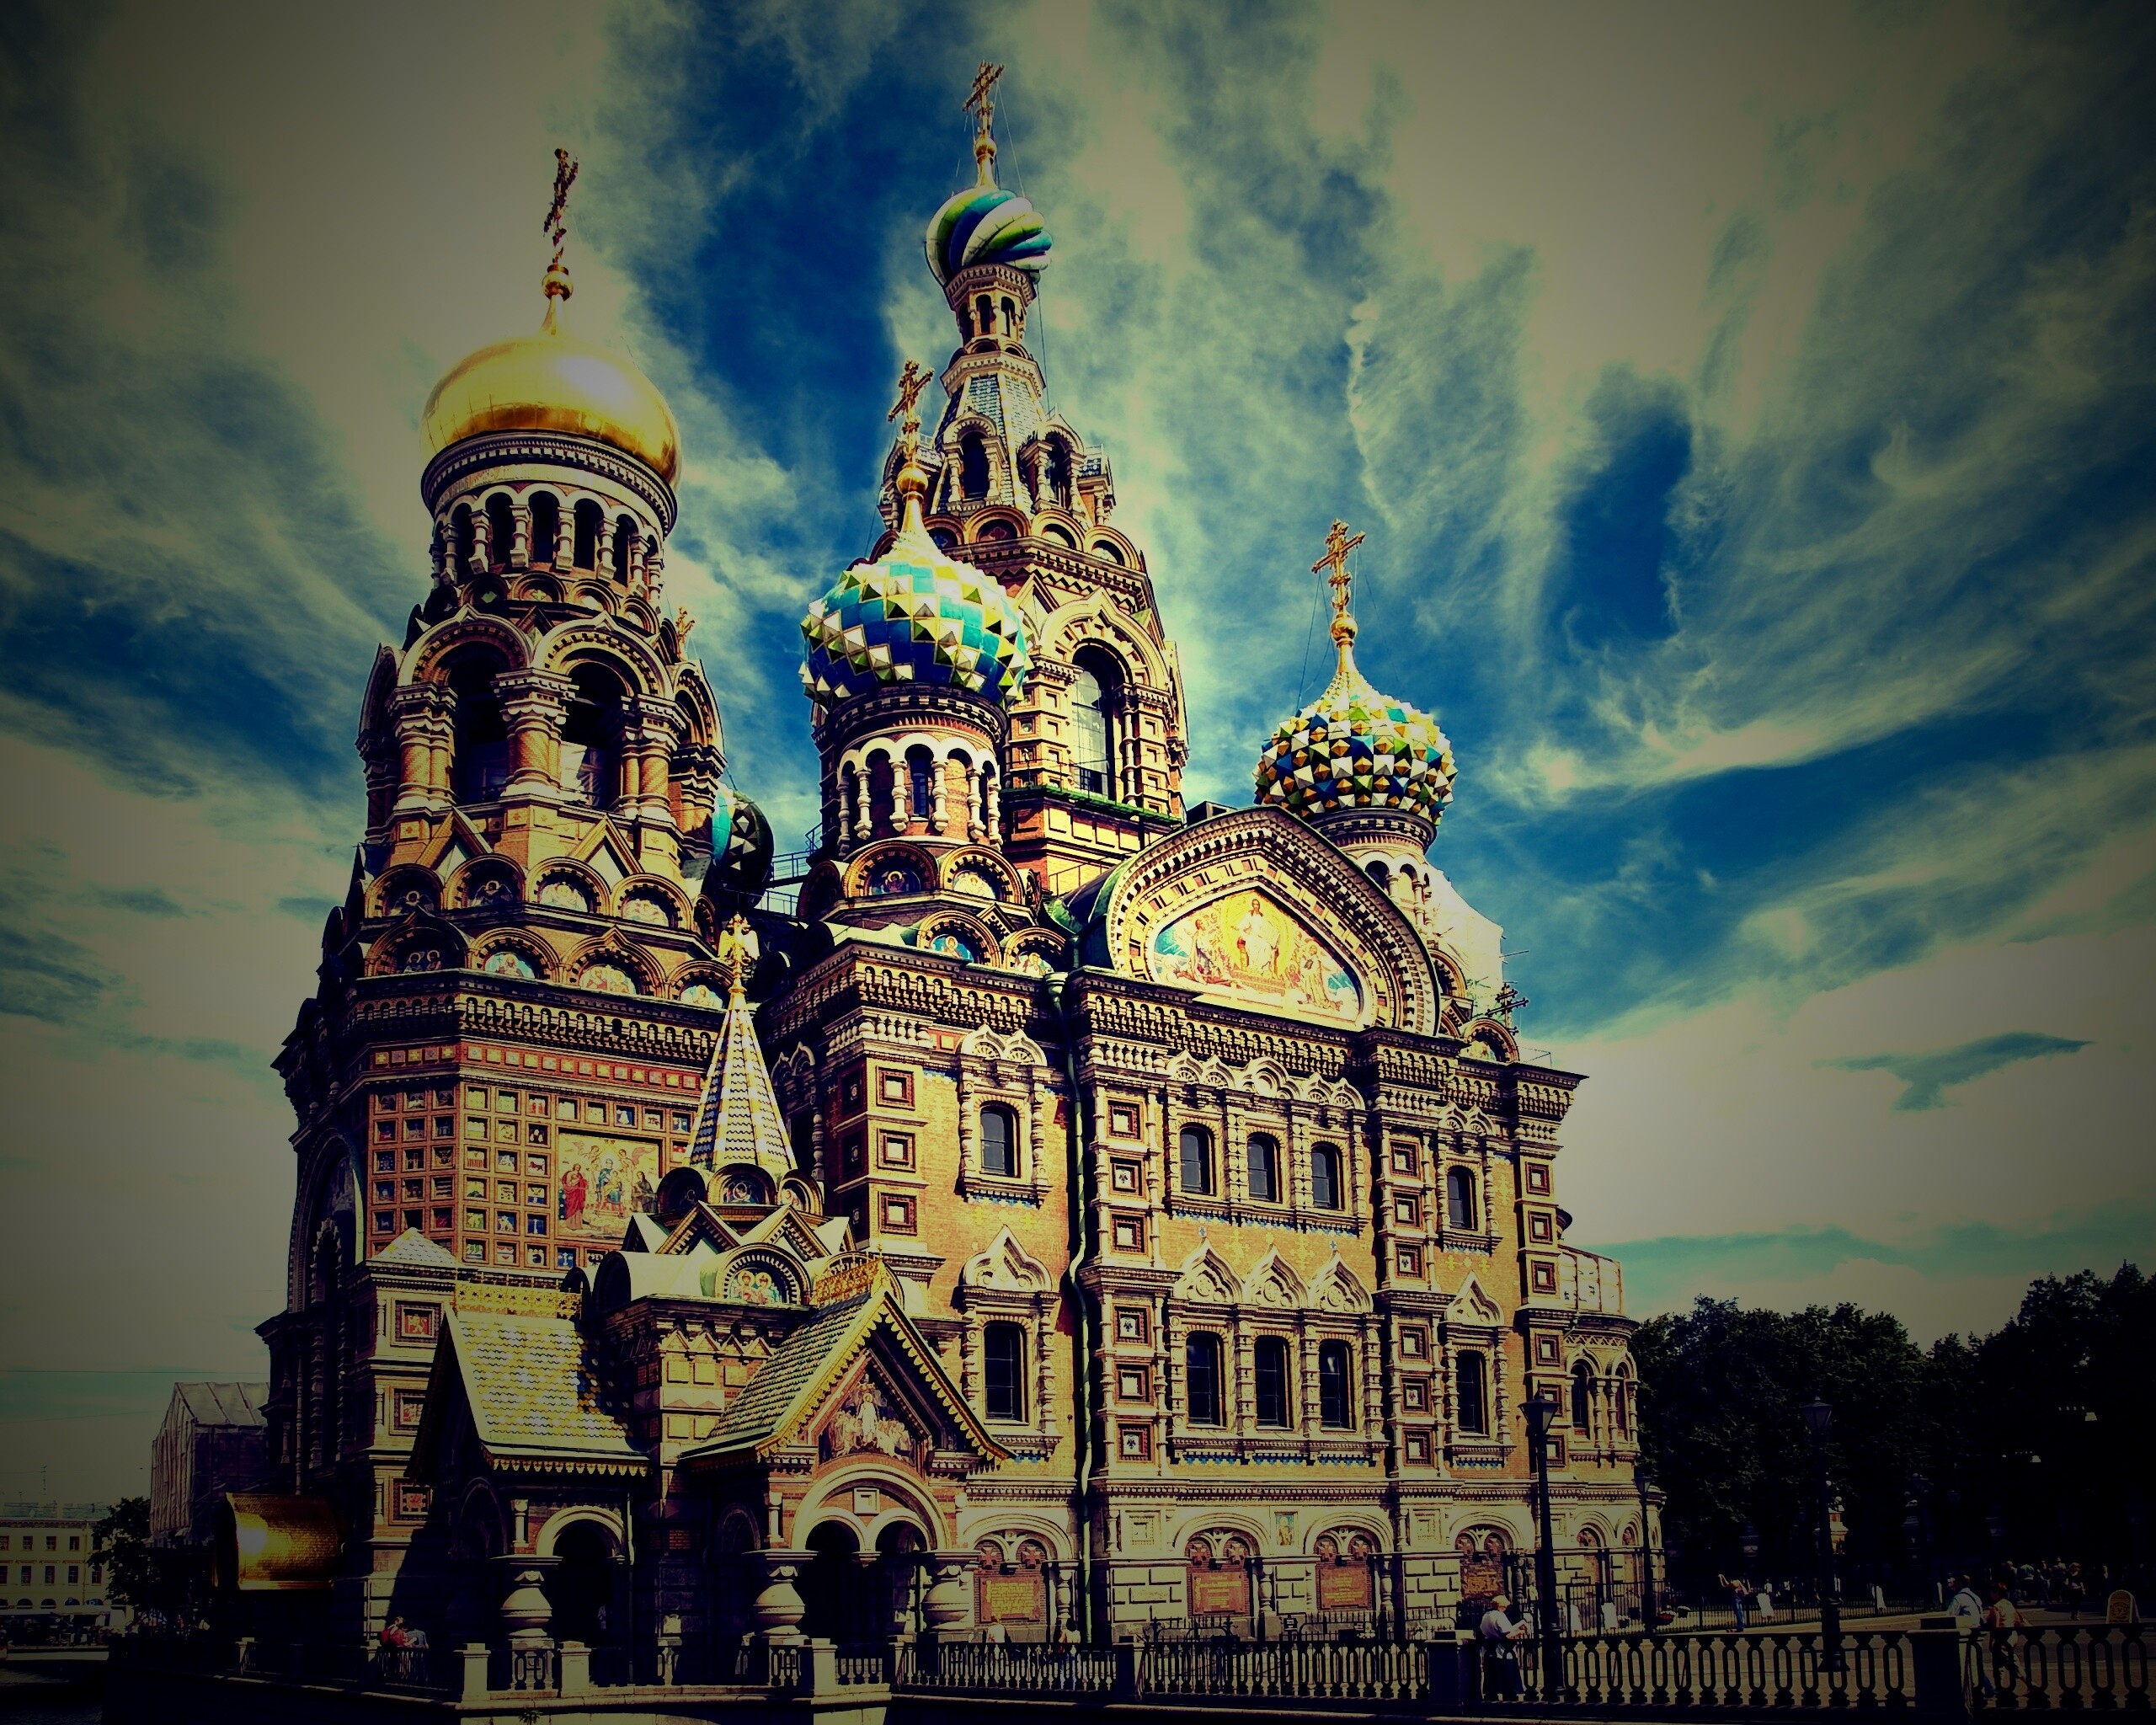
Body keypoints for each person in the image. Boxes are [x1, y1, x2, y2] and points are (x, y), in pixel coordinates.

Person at [1479, 1594, 1529, 1697]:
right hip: (1503, 1651)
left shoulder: (1486, 1615)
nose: (1506, 1609)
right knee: (1508, 1680)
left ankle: (1492, 1695)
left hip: (1490, 1650)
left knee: (1492, 1679)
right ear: (1501, 1606)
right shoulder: (1500, 1616)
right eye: (1505, 1607)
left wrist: (1519, 1624)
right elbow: (1508, 1634)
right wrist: (1521, 1631)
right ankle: (1510, 1694)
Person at [1985, 1585, 2021, 1698]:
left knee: (2012, 1663)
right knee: (2000, 1663)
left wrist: (1991, 1642)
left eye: (1992, 1592)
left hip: (2002, 1639)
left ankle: (2031, 1685)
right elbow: (2017, 1620)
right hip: (2011, 1636)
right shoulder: (2008, 1604)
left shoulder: (1996, 1607)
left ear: (1996, 1592)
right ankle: (1999, 1687)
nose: (1990, 1595)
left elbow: (1995, 1626)